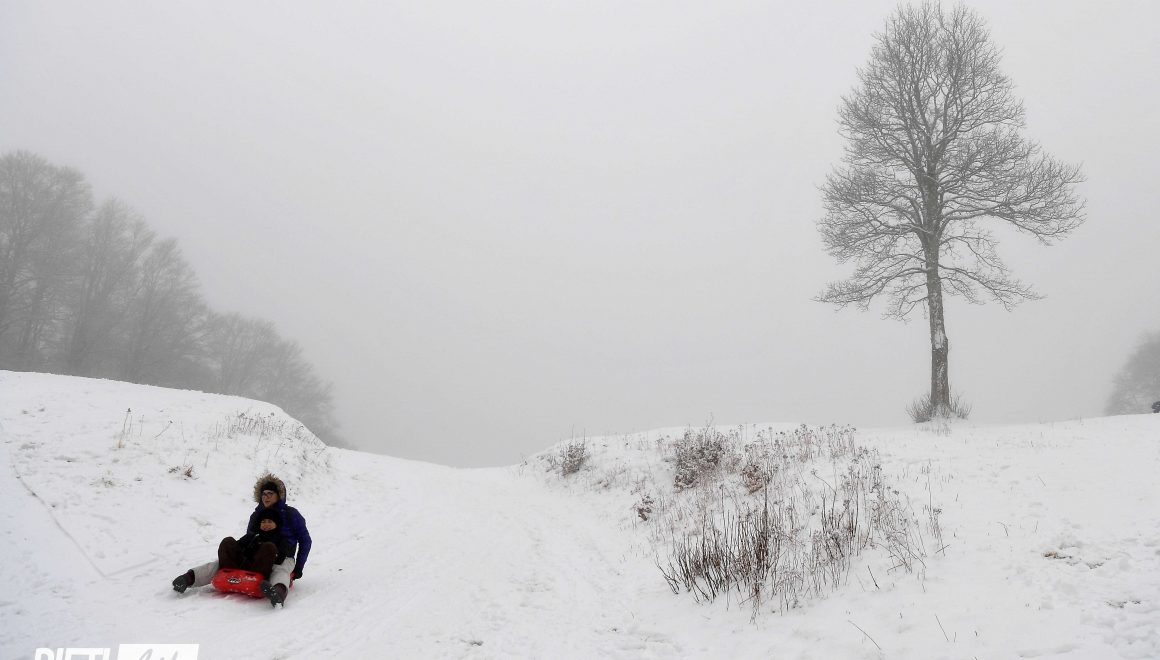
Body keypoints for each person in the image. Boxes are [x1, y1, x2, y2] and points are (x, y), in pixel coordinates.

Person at [171, 473, 312, 607]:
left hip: (283, 556)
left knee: (279, 570)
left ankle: (277, 593)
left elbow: (305, 541)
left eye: (270, 493)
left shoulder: (291, 514)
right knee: (218, 563)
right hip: (259, 554)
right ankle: (189, 578)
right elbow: (250, 537)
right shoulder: (257, 515)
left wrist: (298, 567)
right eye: (264, 494)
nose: (266, 497)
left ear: (279, 495)